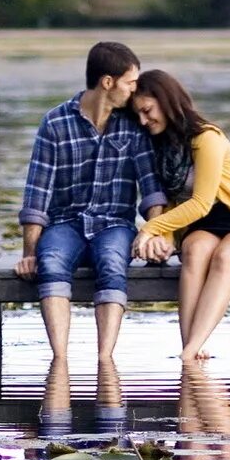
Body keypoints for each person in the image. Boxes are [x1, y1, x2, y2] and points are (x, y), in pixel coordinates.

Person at [16, 41, 165, 364]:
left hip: (115, 225)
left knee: (112, 262)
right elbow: (37, 193)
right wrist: (29, 253)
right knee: (51, 260)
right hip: (65, 223)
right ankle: (60, 359)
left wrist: (156, 232)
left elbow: (151, 189)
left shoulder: (132, 125)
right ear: (107, 82)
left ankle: (104, 359)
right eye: (130, 82)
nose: (135, 90)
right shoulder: (55, 123)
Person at [128, 70, 230, 363]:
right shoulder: (160, 147)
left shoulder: (207, 138)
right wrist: (163, 239)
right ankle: (190, 347)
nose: (144, 121)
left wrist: (148, 229)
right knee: (194, 252)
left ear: (166, 100)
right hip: (201, 226)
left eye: (147, 111)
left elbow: (200, 202)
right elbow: (171, 202)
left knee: (224, 259)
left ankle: (190, 350)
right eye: (139, 117)